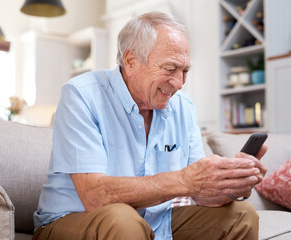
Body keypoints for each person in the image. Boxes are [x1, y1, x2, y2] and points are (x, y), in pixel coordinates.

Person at [32, 11, 267, 240]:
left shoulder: (183, 106)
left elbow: (201, 193)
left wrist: (234, 185)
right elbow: (94, 196)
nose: (179, 83)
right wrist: (185, 180)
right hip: (73, 220)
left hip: (156, 222)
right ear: (131, 61)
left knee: (241, 216)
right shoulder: (81, 95)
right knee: (122, 219)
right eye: (170, 69)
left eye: (185, 71)